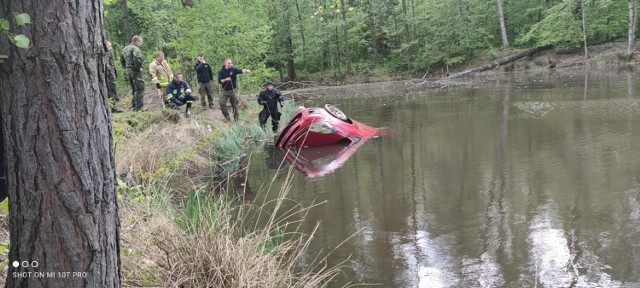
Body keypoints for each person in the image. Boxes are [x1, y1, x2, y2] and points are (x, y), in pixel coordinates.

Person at [120, 35, 145, 111]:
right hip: (136, 71)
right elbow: (137, 58)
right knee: (140, 88)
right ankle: (138, 108)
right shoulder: (135, 49)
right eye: (140, 42)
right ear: (136, 41)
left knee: (134, 89)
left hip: (129, 71)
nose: (141, 44)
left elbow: (121, 59)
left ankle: (134, 106)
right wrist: (139, 68)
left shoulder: (125, 49)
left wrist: (126, 67)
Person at [105, 41, 122, 113]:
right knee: (111, 92)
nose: (111, 48)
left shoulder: (109, 54)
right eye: (109, 46)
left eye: (111, 46)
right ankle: (113, 108)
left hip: (111, 77)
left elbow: (112, 66)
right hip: (108, 78)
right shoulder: (105, 55)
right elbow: (107, 67)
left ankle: (113, 107)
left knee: (113, 92)